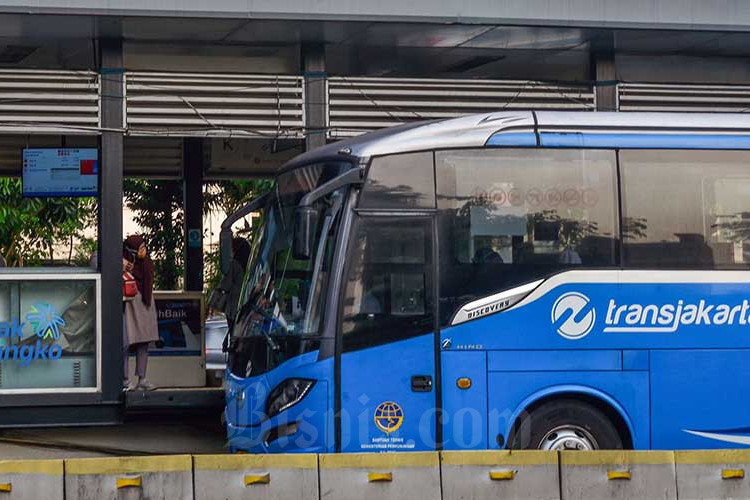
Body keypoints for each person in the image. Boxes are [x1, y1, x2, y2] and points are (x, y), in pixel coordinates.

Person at [123, 235, 160, 391]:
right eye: (140, 248)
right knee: (125, 343)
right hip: (129, 306)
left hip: (145, 304)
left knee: (144, 343)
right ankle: (125, 380)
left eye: (144, 247)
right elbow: (97, 260)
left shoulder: (146, 263)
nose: (144, 251)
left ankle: (142, 379)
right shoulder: (123, 262)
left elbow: (148, 282)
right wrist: (122, 265)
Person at [213, 237, 251, 332]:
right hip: (248, 305)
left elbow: (225, 285)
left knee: (234, 331)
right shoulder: (250, 265)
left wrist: (213, 302)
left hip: (234, 307)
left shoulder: (234, 265)